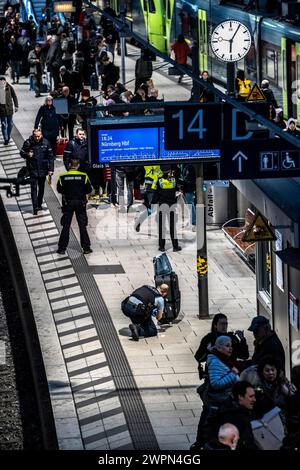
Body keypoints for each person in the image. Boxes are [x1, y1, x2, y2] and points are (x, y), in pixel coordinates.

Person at [195, 313, 249, 378]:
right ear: (215, 325)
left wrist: (242, 340)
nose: (224, 326)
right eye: (222, 324)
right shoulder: (208, 339)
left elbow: (244, 355)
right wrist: (204, 373)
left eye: (226, 324)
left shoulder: (232, 338)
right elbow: (199, 357)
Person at [56, 158, 93, 255]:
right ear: (78, 165)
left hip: (68, 203)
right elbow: (89, 190)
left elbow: (59, 189)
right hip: (80, 203)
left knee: (66, 226)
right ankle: (86, 248)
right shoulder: (83, 176)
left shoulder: (62, 176)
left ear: (69, 165)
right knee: (82, 226)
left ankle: (62, 248)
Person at [20, 129, 54, 215]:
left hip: (43, 169)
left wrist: (51, 169)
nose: (37, 138)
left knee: (41, 188)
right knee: (33, 188)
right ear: (33, 135)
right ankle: (35, 207)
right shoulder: (28, 143)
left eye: (39, 136)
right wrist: (27, 154)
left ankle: (39, 204)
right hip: (32, 169)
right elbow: (21, 152)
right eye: (35, 136)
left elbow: (50, 157)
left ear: (41, 135)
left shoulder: (46, 143)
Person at [156, 166, 182, 252]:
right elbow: (179, 189)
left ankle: (162, 247)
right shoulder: (174, 180)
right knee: (172, 226)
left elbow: (156, 194)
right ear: (169, 172)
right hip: (171, 206)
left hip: (162, 206)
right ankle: (175, 246)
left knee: (162, 227)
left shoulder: (159, 181)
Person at [0, 75, 18, 145]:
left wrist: (16, 106)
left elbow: (14, 96)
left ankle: (8, 135)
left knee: (10, 124)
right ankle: (6, 138)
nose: (1, 82)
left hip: (9, 109)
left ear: (5, 81)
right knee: (3, 124)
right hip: (1, 110)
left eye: (3, 80)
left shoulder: (9, 87)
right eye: (0, 80)